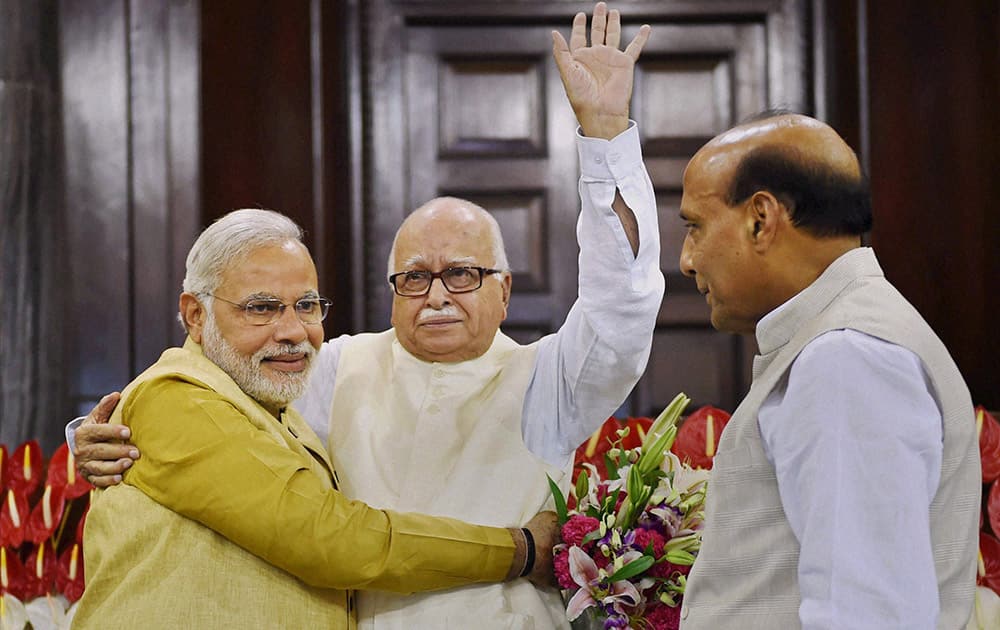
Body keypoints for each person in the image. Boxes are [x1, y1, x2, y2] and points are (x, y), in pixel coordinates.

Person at [70, 3, 664, 629]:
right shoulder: (332, 366)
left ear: (506, 290)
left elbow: (620, 302)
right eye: (414, 278)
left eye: (462, 274)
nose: (436, 296)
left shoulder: (549, 379)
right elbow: (229, 413)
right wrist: (103, 437)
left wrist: (605, 139)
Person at [72, 209, 558, 628]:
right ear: (195, 315)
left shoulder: (279, 405)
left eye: (306, 305)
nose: (292, 331)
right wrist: (521, 551)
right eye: (261, 308)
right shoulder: (178, 398)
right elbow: (332, 539)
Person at [673, 112, 980, 629]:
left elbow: (867, 613)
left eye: (695, 227)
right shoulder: (837, 340)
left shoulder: (846, 356)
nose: (686, 259)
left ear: (761, 219)